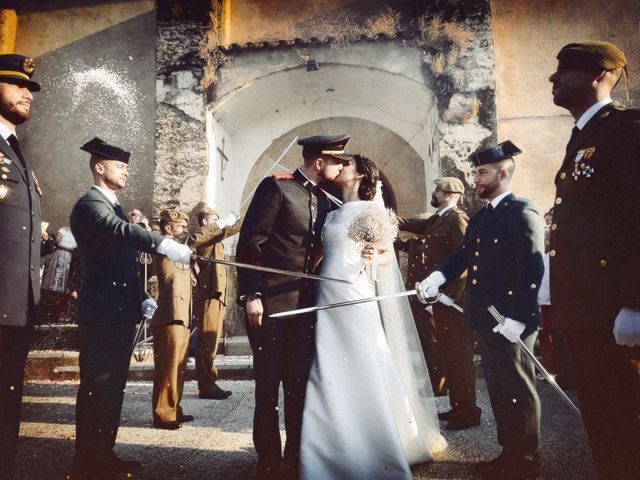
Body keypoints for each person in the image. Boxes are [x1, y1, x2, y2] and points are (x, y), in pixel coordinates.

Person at [300, 154, 446, 480]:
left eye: (347, 164)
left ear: (361, 176)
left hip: (354, 294)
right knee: (329, 364)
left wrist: (376, 252)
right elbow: (323, 253)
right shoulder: (333, 211)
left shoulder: (373, 211)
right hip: (327, 292)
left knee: (363, 361)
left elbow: (384, 257)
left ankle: (379, 445)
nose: (341, 167)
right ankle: (329, 447)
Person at [419, 141, 544, 480]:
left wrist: (519, 317)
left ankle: (526, 461)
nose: (476, 178)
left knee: (517, 389)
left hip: (511, 320)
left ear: (503, 173)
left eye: (482, 172)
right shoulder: (482, 216)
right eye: (475, 172)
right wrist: (437, 275)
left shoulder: (521, 211)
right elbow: (462, 256)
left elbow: (531, 269)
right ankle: (511, 453)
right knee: (500, 388)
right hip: (488, 318)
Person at [69, 137, 193, 479]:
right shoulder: (91, 204)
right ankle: (87, 462)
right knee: (98, 388)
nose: (126, 171)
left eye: (126, 166)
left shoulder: (114, 206)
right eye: (119, 166)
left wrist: (140, 294)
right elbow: (119, 232)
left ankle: (102, 455)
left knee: (112, 389)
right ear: (99, 167)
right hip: (102, 312)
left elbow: (121, 261)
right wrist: (163, 243)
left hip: (120, 310)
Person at [548, 41, 640, 480]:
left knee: (625, 427)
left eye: (563, 70)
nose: (553, 78)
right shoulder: (584, 135)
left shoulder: (626, 129)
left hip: (611, 312)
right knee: (603, 427)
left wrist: (636, 302)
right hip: (583, 312)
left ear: (597, 75)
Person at [236, 134, 346, 480]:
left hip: (306, 309)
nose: (341, 166)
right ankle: (267, 460)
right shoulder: (277, 188)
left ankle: (296, 456)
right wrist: (251, 295)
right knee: (268, 385)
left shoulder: (327, 201)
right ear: (319, 161)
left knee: (298, 385)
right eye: (337, 161)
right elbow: (251, 242)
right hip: (271, 306)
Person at [399, 177, 481, 430]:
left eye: (438, 189)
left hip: (452, 301)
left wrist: (452, 295)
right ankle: (458, 406)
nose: (434, 193)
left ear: (450, 193)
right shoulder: (436, 219)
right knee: (449, 355)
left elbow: (464, 261)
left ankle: (468, 412)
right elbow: (413, 224)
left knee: (460, 356)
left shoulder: (456, 219)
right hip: (439, 299)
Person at [0, 53, 42, 480]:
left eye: (28, 87)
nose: (26, 92)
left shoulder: (17, 153)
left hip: (17, 306)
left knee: (8, 405)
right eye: (15, 84)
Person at [151, 209, 195, 430]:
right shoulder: (164, 247)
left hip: (181, 314)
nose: (185, 230)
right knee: (168, 367)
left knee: (178, 366)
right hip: (170, 314)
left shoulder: (178, 251)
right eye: (180, 226)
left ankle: (174, 408)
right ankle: (163, 414)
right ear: (167, 227)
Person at [394, 213, 447, 397]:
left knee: (432, 343)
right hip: (415, 298)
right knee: (425, 343)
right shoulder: (416, 243)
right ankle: (432, 382)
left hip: (427, 299)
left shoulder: (433, 246)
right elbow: (398, 243)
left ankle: (439, 384)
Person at [192, 207, 241, 400]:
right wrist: (224, 224)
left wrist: (240, 220)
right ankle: (206, 385)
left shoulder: (214, 238)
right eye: (214, 219)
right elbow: (214, 233)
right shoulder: (205, 237)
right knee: (206, 343)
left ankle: (209, 383)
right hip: (208, 295)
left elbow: (229, 230)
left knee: (210, 342)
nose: (219, 222)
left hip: (216, 295)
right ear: (205, 222)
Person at [41, 226, 77, 323]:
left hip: (71, 258)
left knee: (67, 285)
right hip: (60, 256)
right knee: (56, 284)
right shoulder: (63, 230)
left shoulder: (79, 232)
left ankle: (64, 313)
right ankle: (53, 312)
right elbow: (54, 243)